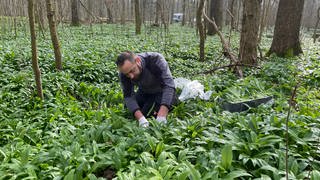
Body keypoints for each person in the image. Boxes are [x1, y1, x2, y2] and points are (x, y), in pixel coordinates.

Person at [116, 51, 177, 127]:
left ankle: (170, 103)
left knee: (147, 113)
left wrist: (162, 114)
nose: (131, 76)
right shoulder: (124, 72)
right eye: (127, 74)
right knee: (129, 108)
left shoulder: (155, 60)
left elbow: (169, 86)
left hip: (161, 91)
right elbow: (128, 96)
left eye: (132, 71)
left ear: (137, 60)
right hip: (144, 91)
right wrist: (140, 118)